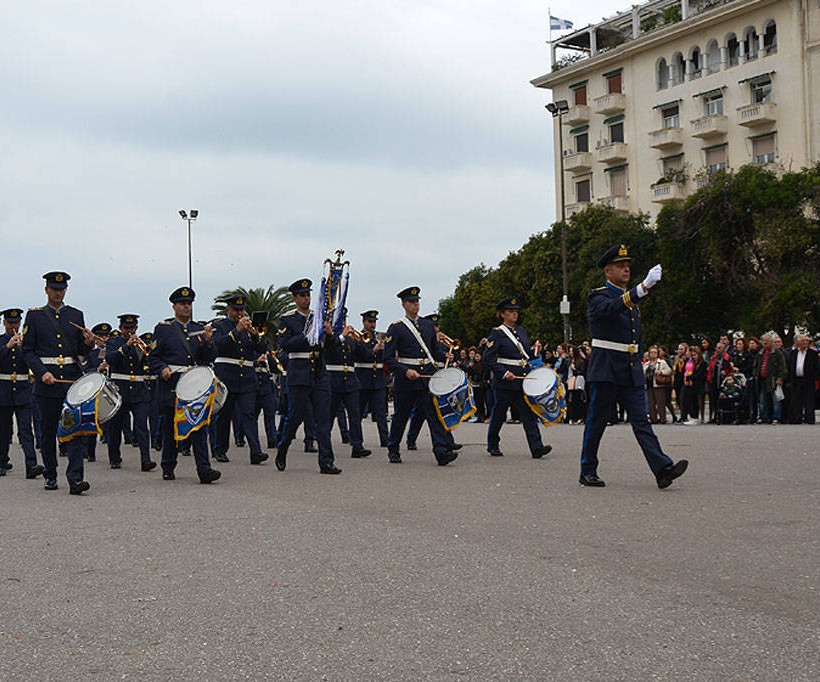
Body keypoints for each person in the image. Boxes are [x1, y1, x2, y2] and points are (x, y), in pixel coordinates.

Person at [579, 245, 688, 488]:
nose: (626, 268)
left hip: (629, 370)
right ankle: (587, 470)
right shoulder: (598, 297)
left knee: (642, 422)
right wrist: (643, 287)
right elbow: (612, 308)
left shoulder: (630, 300)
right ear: (608, 271)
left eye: (628, 265)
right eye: (620, 265)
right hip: (606, 369)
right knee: (597, 422)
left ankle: (662, 469)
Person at [21, 271, 95, 494]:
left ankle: (75, 479)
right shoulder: (35, 316)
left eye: (61, 289)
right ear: (46, 290)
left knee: (75, 429)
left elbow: (79, 351)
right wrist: (41, 372)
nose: (58, 292)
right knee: (48, 430)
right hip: (47, 383)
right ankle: (50, 474)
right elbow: (28, 351)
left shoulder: (76, 315)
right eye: (54, 288)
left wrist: (89, 344)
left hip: (70, 381)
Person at [149, 287, 221, 484]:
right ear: (174, 307)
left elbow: (208, 358)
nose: (186, 306)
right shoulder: (164, 329)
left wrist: (207, 342)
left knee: (198, 427)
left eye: (189, 303)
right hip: (171, 384)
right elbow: (153, 357)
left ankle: (204, 470)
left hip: (193, 386)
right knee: (171, 428)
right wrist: (162, 368)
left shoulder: (198, 328)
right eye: (182, 304)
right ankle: (168, 465)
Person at [383, 287, 458, 466]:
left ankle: (441, 452)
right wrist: (405, 371)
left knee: (433, 414)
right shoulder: (396, 328)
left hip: (426, 377)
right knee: (401, 415)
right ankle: (393, 448)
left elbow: (433, 350)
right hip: (407, 379)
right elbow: (387, 358)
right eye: (411, 302)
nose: (415, 305)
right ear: (403, 304)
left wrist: (444, 356)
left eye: (417, 301)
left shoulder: (427, 326)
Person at [275, 279, 342, 474]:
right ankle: (283, 448)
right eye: (302, 295)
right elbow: (286, 345)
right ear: (295, 298)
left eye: (308, 295)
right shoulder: (287, 320)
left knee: (323, 419)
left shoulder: (318, 317)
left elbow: (332, 349)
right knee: (295, 417)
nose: (306, 299)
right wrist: (308, 335)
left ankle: (326, 462)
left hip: (319, 372)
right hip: (299, 374)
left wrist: (330, 335)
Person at [483, 297, 553, 459]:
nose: (515, 314)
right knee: (499, 413)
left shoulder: (521, 331)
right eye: (510, 312)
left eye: (516, 312)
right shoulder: (497, 333)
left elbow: (525, 354)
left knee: (528, 413)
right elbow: (488, 358)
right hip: (505, 380)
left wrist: (535, 351)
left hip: (522, 378)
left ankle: (536, 447)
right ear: (502, 315)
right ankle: (492, 444)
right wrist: (503, 373)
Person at [212, 295, 269, 465]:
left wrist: (256, 337)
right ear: (228, 310)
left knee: (248, 414)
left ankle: (256, 451)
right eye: (236, 310)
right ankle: (220, 449)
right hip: (227, 376)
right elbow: (219, 346)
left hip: (246, 378)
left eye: (241, 310)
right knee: (224, 415)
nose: (239, 313)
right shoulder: (219, 326)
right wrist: (237, 330)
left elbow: (263, 349)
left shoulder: (249, 329)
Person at [105, 314, 156, 471]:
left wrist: (149, 355)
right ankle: (114, 458)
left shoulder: (142, 344)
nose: (130, 331)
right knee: (116, 427)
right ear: (120, 328)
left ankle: (145, 460)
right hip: (121, 389)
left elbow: (150, 362)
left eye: (132, 328)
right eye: (127, 328)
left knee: (141, 425)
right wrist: (126, 346)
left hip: (139, 390)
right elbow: (110, 359)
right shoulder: (113, 343)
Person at [0, 308, 43, 479]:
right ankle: (2, 461)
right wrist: (7, 347)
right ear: (4, 323)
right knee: (4, 430)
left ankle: (31, 465)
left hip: (24, 391)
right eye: (10, 323)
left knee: (26, 430)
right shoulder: (1, 341)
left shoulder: (26, 343)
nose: (13, 326)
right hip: (3, 391)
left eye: (16, 323)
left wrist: (23, 349)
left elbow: (33, 363)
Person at [325, 311, 371, 458]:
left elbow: (365, 356)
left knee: (355, 415)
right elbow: (329, 349)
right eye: (340, 319)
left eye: (344, 319)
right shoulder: (329, 337)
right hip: (333, 380)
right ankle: (324, 444)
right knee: (329, 415)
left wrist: (359, 342)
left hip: (350, 381)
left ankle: (357, 446)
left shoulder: (351, 339)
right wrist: (342, 336)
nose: (343, 322)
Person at [355, 310, 389, 448]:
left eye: (374, 322)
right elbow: (360, 356)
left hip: (378, 379)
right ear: (364, 322)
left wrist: (385, 349)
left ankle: (385, 439)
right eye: (369, 322)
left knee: (381, 412)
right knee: (358, 412)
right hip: (363, 378)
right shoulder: (359, 337)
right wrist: (374, 350)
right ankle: (356, 439)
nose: (372, 325)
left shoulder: (379, 338)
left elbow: (385, 359)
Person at [753, 333, 787, 424]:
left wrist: (780, 378)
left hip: (773, 380)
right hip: (762, 380)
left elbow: (782, 367)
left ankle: (776, 417)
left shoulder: (777, 353)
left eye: (767, 341)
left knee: (776, 400)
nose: (765, 343)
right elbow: (755, 366)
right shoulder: (760, 353)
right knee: (762, 400)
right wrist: (756, 375)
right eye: (763, 341)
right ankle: (763, 417)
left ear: (771, 342)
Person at [788, 333, 819, 424]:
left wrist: (813, 378)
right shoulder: (793, 353)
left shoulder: (813, 354)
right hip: (796, 380)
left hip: (808, 380)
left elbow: (816, 368)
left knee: (809, 400)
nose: (805, 342)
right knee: (796, 400)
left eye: (806, 341)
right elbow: (790, 366)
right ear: (798, 342)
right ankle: (796, 419)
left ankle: (809, 419)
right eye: (803, 341)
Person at [644, 345, 672, 424]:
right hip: (649, 385)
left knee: (660, 403)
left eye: (655, 352)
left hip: (658, 385)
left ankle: (662, 418)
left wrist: (661, 372)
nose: (653, 354)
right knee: (651, 403)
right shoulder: (646, 364)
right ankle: (653, 419)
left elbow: (669, 371)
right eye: (651, 352)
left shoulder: (662, 362)